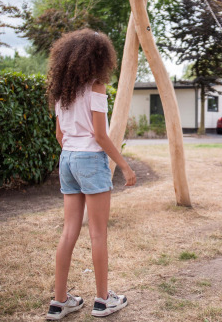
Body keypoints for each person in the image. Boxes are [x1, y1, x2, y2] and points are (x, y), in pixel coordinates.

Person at [45, 29, 136, 320]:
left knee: (69, 231)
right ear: (99, 58)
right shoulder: (96, 87)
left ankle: (60, 303)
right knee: (98, 233)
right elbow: (100, 135)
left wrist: (72, 152)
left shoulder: (62, 90)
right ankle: (102, 300)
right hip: (89, 158)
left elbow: (59, 134)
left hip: (67, 158)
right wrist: (124, 165)